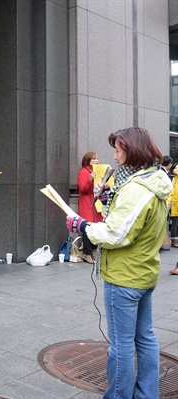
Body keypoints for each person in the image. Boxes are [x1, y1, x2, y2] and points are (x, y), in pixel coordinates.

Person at [67, 126, 170, 399]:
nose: (114, 157)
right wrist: (106, 198)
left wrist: (82, 225)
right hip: (145, 270)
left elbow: (114, 233)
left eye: (118, 150)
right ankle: (147, 394)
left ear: (132, 151)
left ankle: (118, 395)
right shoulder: (156, 181)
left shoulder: (137, 188)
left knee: (122, 345)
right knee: (145, 337)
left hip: (124, 276)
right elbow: (133, 223)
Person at [77, 151, 103, 264]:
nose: (96, 161)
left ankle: (93, 251)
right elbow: (82, 188)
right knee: (88, 229)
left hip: (96, 205)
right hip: (87, 205)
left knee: (96, 228)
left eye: (97, 158)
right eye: (93, 159)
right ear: (88, 160)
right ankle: (86, 253)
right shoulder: (83, 172)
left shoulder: (96, 171)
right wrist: (90, 178)